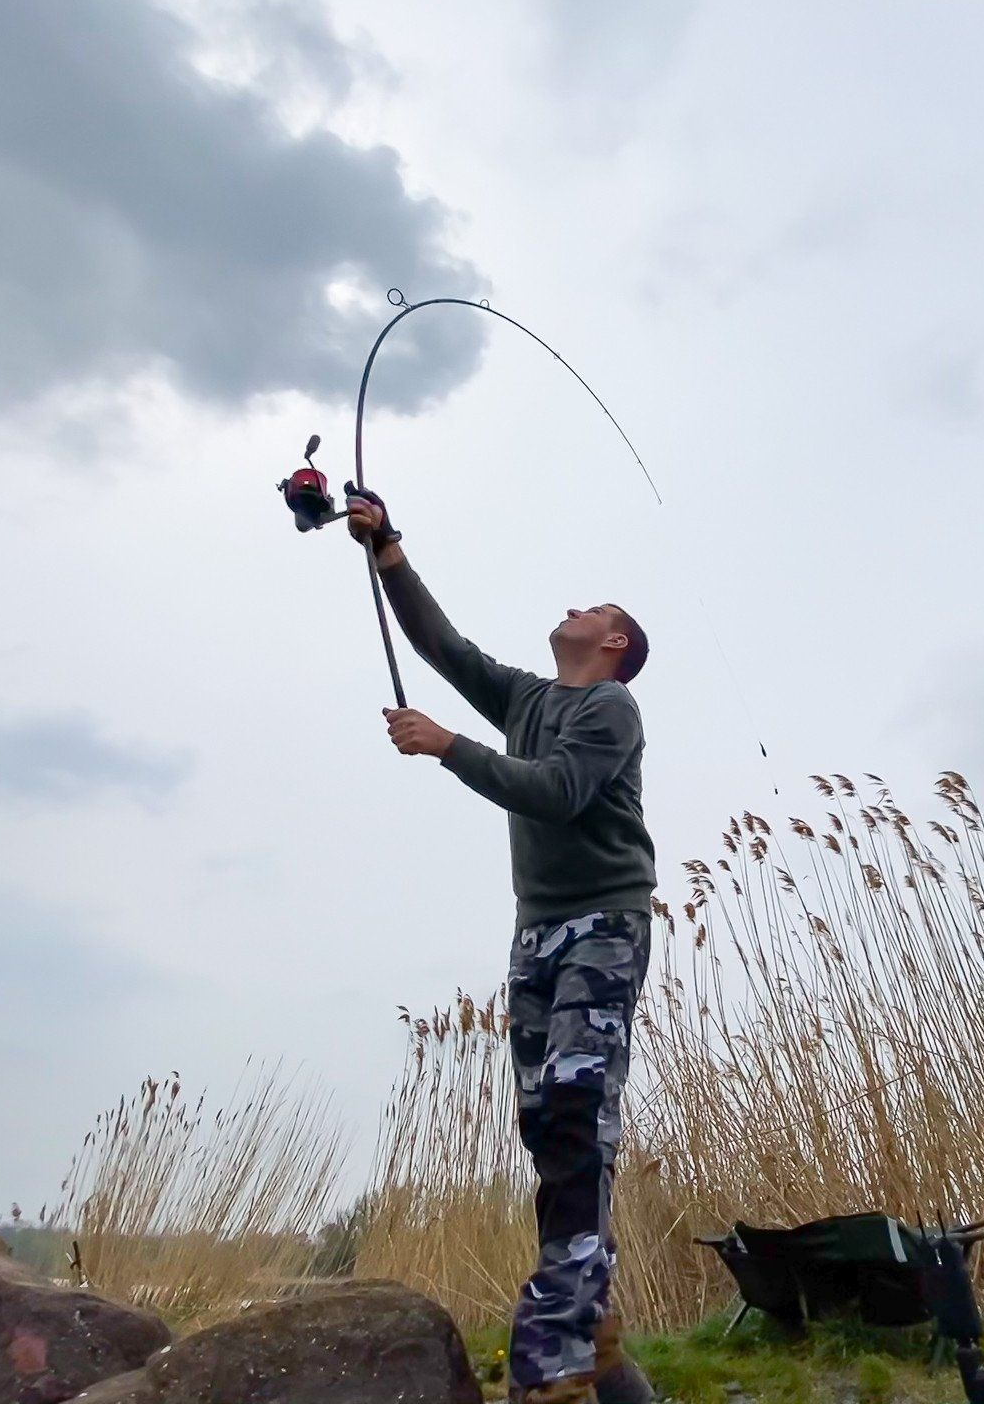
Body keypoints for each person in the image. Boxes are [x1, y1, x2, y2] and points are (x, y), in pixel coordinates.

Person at [348, 488, 657, 1404]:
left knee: (574, 1105)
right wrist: (388, 549)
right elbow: (441, 647)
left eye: (593, 608)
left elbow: (557, 792)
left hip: (605, 921)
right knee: (548, 1129)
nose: (575, 606)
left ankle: (553, 1356)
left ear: (614, 646)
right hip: (536, 937)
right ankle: (596, 1335)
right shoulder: (525, 695)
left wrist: (446, 747)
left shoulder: (609, 714)